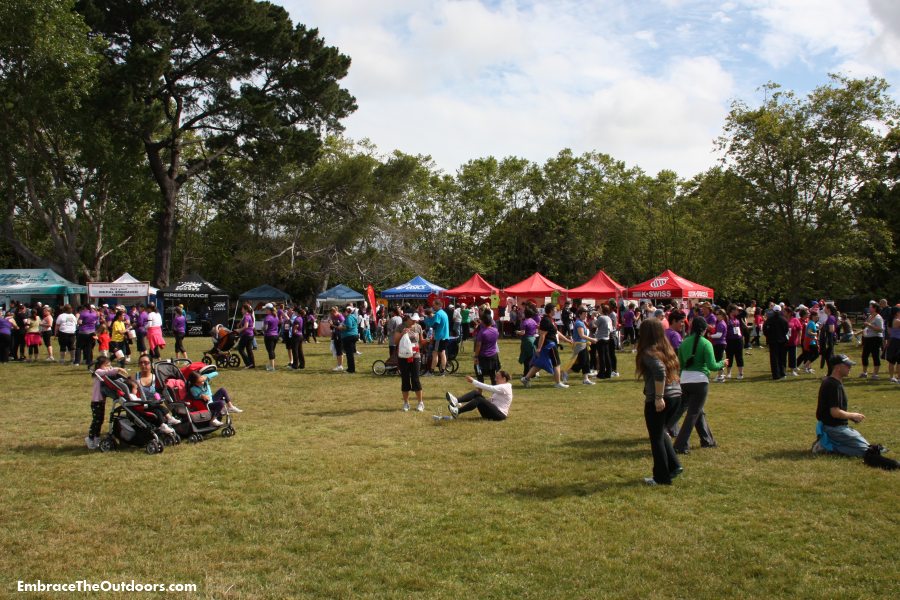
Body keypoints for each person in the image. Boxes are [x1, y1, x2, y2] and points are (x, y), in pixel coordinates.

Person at [635, 318, 683, 486]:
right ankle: (674, 465)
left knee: (656, 438)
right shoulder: (666, 349)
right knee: (661, 432)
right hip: (676, 395)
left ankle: (661, 477)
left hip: (662, 398)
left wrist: (658, 397)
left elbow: (660, 371)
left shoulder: (649, 352)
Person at [670, 317, 726, 453]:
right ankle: (680, 445)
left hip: (685, 380)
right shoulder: (706, 343)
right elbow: (713, 366)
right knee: (693, 413)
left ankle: (707, 440)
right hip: (700, 381)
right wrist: (723, 363)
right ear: (704, 329)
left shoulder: (684, 343)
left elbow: (681, 365)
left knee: (698, 411)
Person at [812, 354, 871, 457]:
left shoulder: (832, 382)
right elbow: (835, 412)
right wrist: (852, 415)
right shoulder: (833, 385)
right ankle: (824, 447)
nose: (850, 368)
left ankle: (827, 444)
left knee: (868, 448)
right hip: (834, 428)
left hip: (833, 427)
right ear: (838, 368)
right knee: (867, 451)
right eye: (847, 366)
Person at [521, 304, 572, 389]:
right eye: (555, 309)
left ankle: (526, 379)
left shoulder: (550, 320)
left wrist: (567, 340)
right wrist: (539, 348)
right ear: (551, 310)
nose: (556, 310)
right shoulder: (546, 320)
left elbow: (556, 332)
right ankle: (558, 383)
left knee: (539, 364)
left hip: (549, 344)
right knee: (556, 363)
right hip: (549, 345)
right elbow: (542, 335)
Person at [86, 356, 128, 450]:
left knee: (100, 420)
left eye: (110, 365)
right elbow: (107, 371)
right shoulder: (98, 372)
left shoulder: (103, 374)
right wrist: (119, 369)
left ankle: (96, 438)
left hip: (101, 402)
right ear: (100, 366)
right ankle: (90, 438)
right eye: (107, 365)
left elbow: (109, 371)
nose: (109, 367)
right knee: (96, 421)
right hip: (96, 402)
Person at [446, 371, 513, 420]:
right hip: (491, 413)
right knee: (476, 393)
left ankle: (457, 411)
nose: (495, 379)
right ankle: (456, 400)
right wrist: (485, 401)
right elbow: (493, 400)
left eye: (497, 378)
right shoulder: (502, 387)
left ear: (504, 379)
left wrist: (474, 381)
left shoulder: (505, 387)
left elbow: (490, 388)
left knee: (479, 399)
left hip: (499, 415)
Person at [395, 313, 424, 412]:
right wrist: (402, 333)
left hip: (415, 356)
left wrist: (428, 340)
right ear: (408, 318)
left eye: (416, 320)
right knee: (405, 379)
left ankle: (420, 403)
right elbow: (395, 341)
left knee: (416, 379)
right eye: (413, 320)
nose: (415, 321)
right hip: (403, 356)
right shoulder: (400, 327)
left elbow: (421, 341)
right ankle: (406, 403)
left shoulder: (418, 327)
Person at [562, 306, 596, 385]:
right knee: (581, 363)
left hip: (583, 344)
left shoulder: (581, 322)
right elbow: (581, 335)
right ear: (580, 314)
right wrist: (592, 339)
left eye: (586, 314)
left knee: (586, 362)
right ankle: (566, 372)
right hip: (580, 346)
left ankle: (586, 379)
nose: (586, 315)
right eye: (584, 314)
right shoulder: (579, 323)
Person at [473, 310, 501, 385]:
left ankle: (479, 392)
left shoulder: (482, 332)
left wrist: (476, 356)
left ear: (483, 322)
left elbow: (478, 345)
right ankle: (495, 393)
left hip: (483, 356)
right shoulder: (495, 331)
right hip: (493, 356)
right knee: (493, 376)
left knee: (480, 375)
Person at [763, 305, 789, 380]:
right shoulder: (784, 320)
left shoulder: (769, 320)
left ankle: (775, 374)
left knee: (774, 358)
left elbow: (765, 330)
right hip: (782, 341)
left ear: (773, 311)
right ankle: (782, 373)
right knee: (782, 357)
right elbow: (786, 330)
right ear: (780, 310)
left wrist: (769, 336)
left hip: (772, 341)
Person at [859, 302, 884, 379]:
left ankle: (875, 374)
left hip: (876, 338)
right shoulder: (870, 316)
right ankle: (864, 372)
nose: (869, 309)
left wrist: (869, 325)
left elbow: (881, 329)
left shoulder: (878, 318)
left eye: (870, 307)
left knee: (875, 355)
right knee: (864, 355)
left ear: (875, 308)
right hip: (868, 338)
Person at [515, 305, 538, 378]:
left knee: (526, 358)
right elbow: (536, 330)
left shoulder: (524, 322)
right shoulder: (533, 321)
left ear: (526, 314)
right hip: (533, 339)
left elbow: (523, 332)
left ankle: (526, 374)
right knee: (532, 357)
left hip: (527, 340)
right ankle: (532, 374)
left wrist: (517, 332)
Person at [429, 299, 450, 375]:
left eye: (434, 305)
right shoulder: (444, 313)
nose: (433, 306)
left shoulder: (438, 314)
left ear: (438, 305)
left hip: (439, 337)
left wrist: (429, 327)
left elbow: (436, 324)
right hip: (445, 336)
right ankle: (443, 371)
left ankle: (431, 371)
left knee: (435, 353)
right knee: (443, 353)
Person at [724, 305, 745, 380]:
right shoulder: (727, 318)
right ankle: (729, 373)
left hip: (738, 339)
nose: (738, 311)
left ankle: (740, 373)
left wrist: (740, 308)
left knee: (739, 356)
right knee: (729, 356)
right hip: (729, 340)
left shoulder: (738, 317)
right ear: (732, 310)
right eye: (736, 310)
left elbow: (744, 313)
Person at [337, 305, 359, 374]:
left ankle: (351, 369)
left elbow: (348, 327)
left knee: (349, 354)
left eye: (343, 313)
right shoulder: (353, 316)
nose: (343, 314)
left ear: (346, 312)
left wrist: (341, 328)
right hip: (354, 335)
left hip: (349, 336)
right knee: (350, 353)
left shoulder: (348, 317)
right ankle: (351, 368)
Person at [236, 303, 256, 369]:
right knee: (249, 350)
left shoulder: (247, 316)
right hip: (250, 335)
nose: (241, 310)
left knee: (240, 349)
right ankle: (252, 364)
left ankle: (248, 364)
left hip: (246, 335)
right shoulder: (248, 315)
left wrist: (239, 330)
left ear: (245, 309)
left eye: (242, 309)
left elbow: (246, 326)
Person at [261, 303, 279, 372]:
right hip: (275, 335)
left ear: (269, 309)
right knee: (272, 351)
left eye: (266, 309)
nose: (265, 310)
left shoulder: (267, 317)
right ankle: (271, 365)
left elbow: (265, 328)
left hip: (269, 336)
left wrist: (262, 328)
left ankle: (272, 367)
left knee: (270, 351)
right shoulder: (275, 316)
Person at [785, 306, 803, 376]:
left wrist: (799, 338)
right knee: (783, 356)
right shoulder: (783, 319)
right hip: (784, 341)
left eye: (785, 311)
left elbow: (800, 329)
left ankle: (792, 370)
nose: (783, 313)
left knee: (792, 356)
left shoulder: (795, 320)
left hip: (793, 340)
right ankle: (783, 370)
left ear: (789, 313)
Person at [887, 307, 900, 384]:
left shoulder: (890, 321)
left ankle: (891, 377)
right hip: (898, 341)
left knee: (891, 361)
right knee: (899, 361)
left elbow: (889, 332)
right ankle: (899, 378)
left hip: (892, 341)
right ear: (897, 313)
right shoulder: (897, 321)